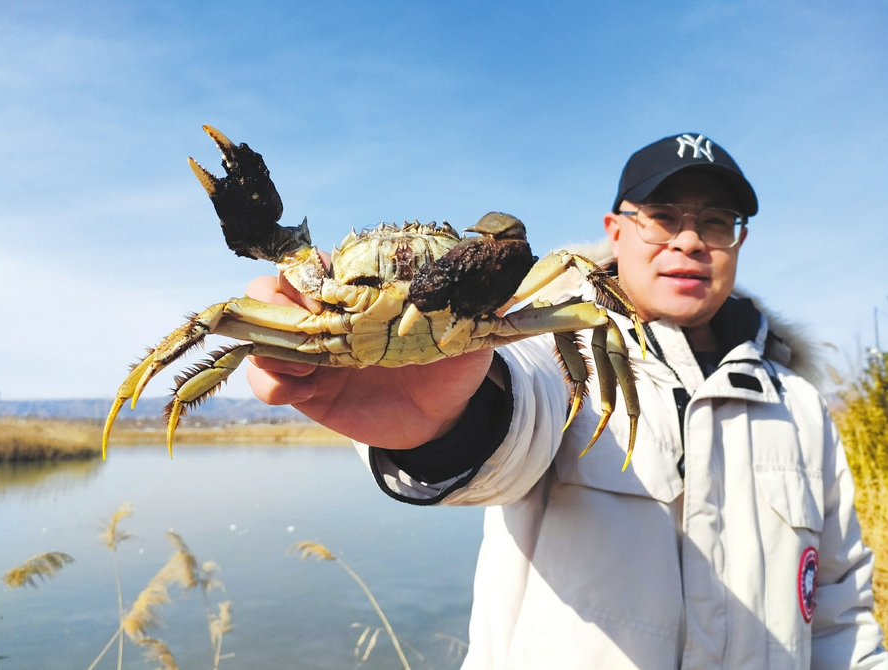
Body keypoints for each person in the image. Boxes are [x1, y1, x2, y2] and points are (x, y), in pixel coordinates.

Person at [245, 133, 886, 669]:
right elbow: (518, 410)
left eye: (715, 221)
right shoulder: (552, 342)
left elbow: (840, 611)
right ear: (615, 228)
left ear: (737, 241)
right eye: (663, 216)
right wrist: (444, 423)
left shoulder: (799, 406)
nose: (690, 240)